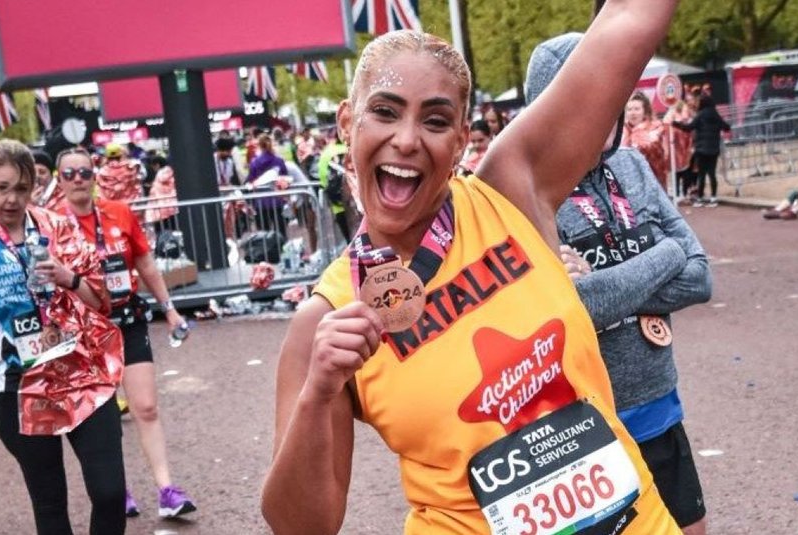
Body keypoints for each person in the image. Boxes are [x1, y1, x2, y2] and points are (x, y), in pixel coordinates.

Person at [262, 0, 683, 532]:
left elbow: (630, 18)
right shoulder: (323, 321)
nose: (407, 139)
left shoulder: (512, 188)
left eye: (435, 121)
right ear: (348, 121)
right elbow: (300, 526)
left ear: (461, 138)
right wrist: (318, 391)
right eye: (385, 112)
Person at [528, 33, 712, 534]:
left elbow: (700, 276)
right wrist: (667, 253)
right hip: (585, 428)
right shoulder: (531, 193)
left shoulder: (630, 165)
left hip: (660, 407)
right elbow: (578, 309)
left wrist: (608, 285)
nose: (608, 114)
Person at [55, 148, 197, 519]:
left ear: (95, 175)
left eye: (84, 171)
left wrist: (168, 308)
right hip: (86, 331)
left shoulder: (119, 212)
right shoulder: (53, 224)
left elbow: (145, 263)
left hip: (128, 318)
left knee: (146, 406)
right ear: (59, 179)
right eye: (69, 173)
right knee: (103, 418)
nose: (78, 179)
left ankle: (167, 489)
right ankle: (119, 491)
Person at [0, 139, 126, 534]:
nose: (12, 199)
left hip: (81, 368)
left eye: (21, 187)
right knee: (50, 505)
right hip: (18, 384)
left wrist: (67, 277)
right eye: (2, 188)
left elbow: (103, 299)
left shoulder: (57, 227)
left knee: (110, 492)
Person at [672, 94, 730, 207]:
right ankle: (713, 198)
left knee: (702, 174)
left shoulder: (700, 115)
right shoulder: (716, 114)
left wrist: (676, 124)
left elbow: (688, 128)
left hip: (701, 149)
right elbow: (726, 127)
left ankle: (700, 198)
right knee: (712, 174)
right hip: (714, 149)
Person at [622, 92, 670, 190]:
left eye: (637, 109)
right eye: (629, 109)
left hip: (653, 183)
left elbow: (653, 149)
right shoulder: (622, 131)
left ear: (645, 111)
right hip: (628, 185)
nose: (633, 113)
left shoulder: (656, 127)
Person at [246, 133, 290, 234]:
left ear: (259, 146)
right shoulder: (279, 161)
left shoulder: (254, 162)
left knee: (264, 235)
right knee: (281, 232)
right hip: (277, 201)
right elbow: (285, 178)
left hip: (260, 202)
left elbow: (251, 180)